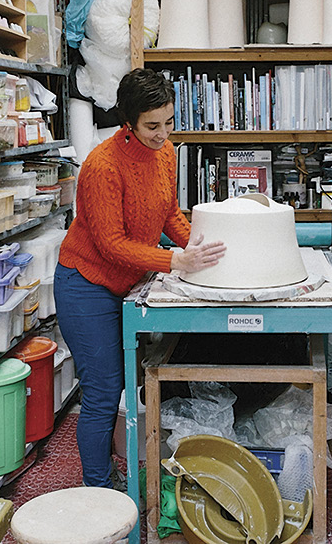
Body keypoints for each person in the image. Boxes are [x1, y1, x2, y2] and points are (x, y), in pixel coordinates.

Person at [54, 67, 226, 489]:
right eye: (152, 125)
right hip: (86, 283)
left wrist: (199, 250)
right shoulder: (102, 165)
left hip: (128, 281)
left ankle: (113, 460)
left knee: (128, 381)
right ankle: (99, 486)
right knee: (102, 390)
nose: (163, 133)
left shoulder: (164, 152)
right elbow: (111, 243)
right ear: (127, 122)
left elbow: (169, 213)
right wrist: (176, 262)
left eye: (169, 122)